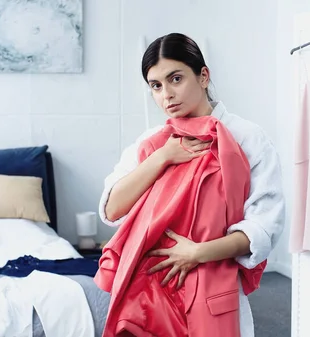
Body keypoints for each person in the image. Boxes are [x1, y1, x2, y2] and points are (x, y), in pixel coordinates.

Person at [96, 32, 285, 337]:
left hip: (212, 291)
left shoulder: (247, 138)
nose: (166, 94)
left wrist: (197, 253)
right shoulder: (152, 143)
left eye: (175, 79)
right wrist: (163, 158)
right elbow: (112, 207)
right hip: (148, 299)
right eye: (156, 86)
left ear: (203, 76)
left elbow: (264, 229)